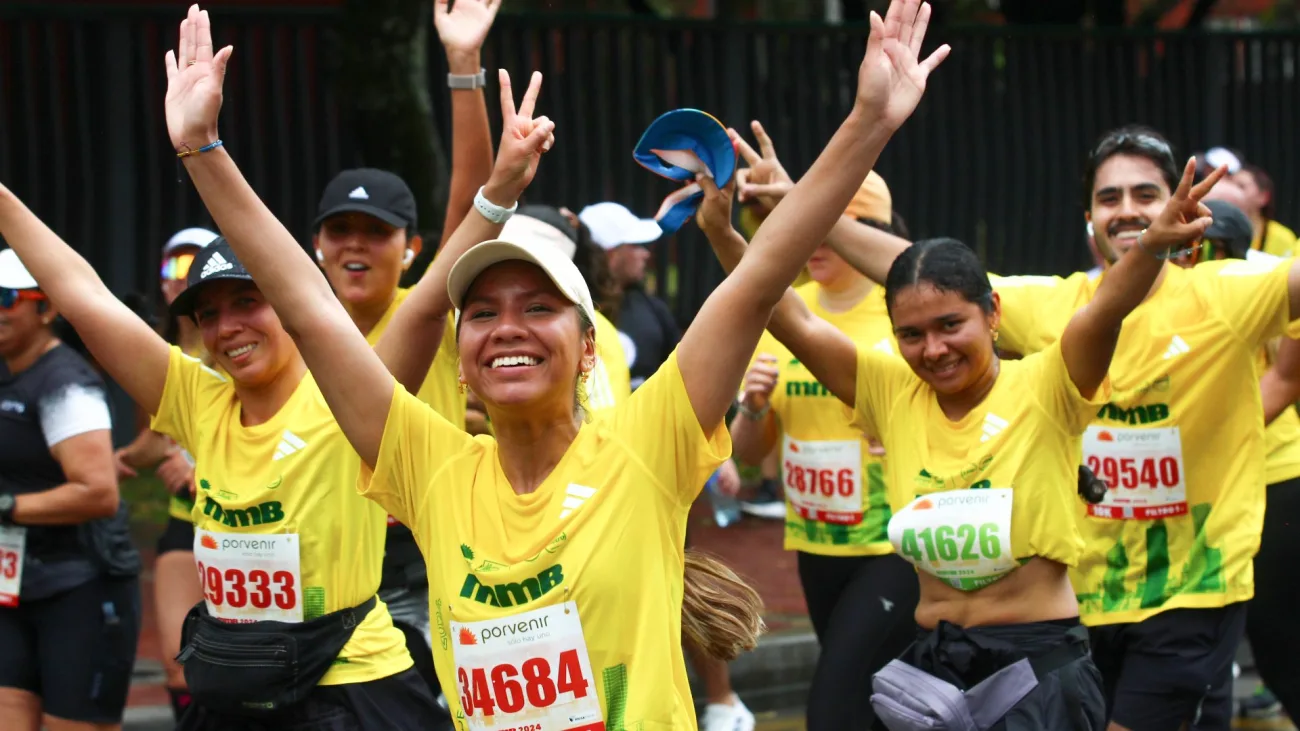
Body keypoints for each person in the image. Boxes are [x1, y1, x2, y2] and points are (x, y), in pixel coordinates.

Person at [159, 1, 946, 725]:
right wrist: (202, 149)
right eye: (485, 312)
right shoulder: (431, 467)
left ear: (588, 349)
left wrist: (869, 121)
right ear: (459, 363)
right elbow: (305, 304)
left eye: (539, 308)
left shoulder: (644, 445)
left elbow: (760, 277)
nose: (508, 328)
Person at [716, 132, 1235, 728]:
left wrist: (1151, 247)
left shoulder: (1050, 382)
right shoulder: (890, 391)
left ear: (992, 313)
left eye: (950, 324)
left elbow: (1107, 307)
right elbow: (787, 314)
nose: (933, 349)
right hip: (935, 666)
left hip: (1037, 669)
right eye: (911, 334)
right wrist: (719, 231)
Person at [308, 5, 498, 718]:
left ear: (411, 248)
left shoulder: (431, 310)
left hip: (428, 549)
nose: (356, 245)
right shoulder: (296, 331)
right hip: (329, 557)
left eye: (377, 232)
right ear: (318, 244)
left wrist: (462, 69)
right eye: (340, 230)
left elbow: (475, 199)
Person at [727, 161, 920, 730]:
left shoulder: (903, 310)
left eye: (829, 223)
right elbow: (749, 453)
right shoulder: (784, 310)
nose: (811, 238)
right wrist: (755, 408)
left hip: (892, 547)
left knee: (833, 705)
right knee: (881, 701)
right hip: (814, 542)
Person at [1167, 198, 1300, 725]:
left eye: (1198, 249)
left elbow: (1285, 381)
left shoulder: (1261, 292)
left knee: (1277, 639)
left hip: (1274, 479)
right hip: (1194, 494)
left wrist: (1204, 441)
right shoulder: (1150, 298)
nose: (1185, 260)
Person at [0, 247, 141, 731]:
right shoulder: (9, 375)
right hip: (15, 587)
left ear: (47, 308)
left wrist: (6, 506)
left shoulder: (66, 384)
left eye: (5, 299)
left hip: (80, 587)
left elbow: (99, 492)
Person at [112, 225, 216, 721]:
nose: (181, 277)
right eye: (171, 267)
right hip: (183, 517)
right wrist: (121, 463)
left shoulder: (247, 345)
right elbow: (157, 437)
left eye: (193, 263)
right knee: (179, 663)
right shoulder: (156, 354)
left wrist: (199, 469)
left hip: (251, 523)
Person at [579, 200, 678, 390]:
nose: (645, 254)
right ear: (610, 253)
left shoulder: (652, 308)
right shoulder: (572, 308)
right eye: (635, 245)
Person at [1233, 163, 1298, 258]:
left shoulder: (1282, 238)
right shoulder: (1216, 231)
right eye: (1230, 185)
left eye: (1241, 186)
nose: (1232, 191)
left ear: (1263, 196)